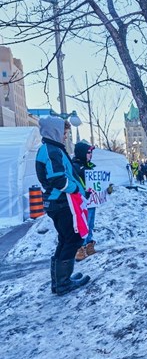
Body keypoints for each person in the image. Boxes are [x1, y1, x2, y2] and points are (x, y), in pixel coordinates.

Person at [35, 117, 91, 295]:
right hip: (62, 202)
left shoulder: (51, 149)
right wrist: (76, 189)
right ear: (55, 132)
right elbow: (58, 179)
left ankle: (60, 281)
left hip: (58, 202)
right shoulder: (52, 151)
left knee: (65, 240)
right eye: (64, 132)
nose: (65, 136)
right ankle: (63, 283)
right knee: (73, 240)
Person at [71, 142, 98, 261]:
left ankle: (88, 244)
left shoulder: (89, 166)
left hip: (91, 201)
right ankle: (80, 247)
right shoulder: (75, 167)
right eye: (88, 152)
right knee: (83, 223)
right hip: (81, 201)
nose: (90, 155)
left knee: (90, 223)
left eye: (91, 152)